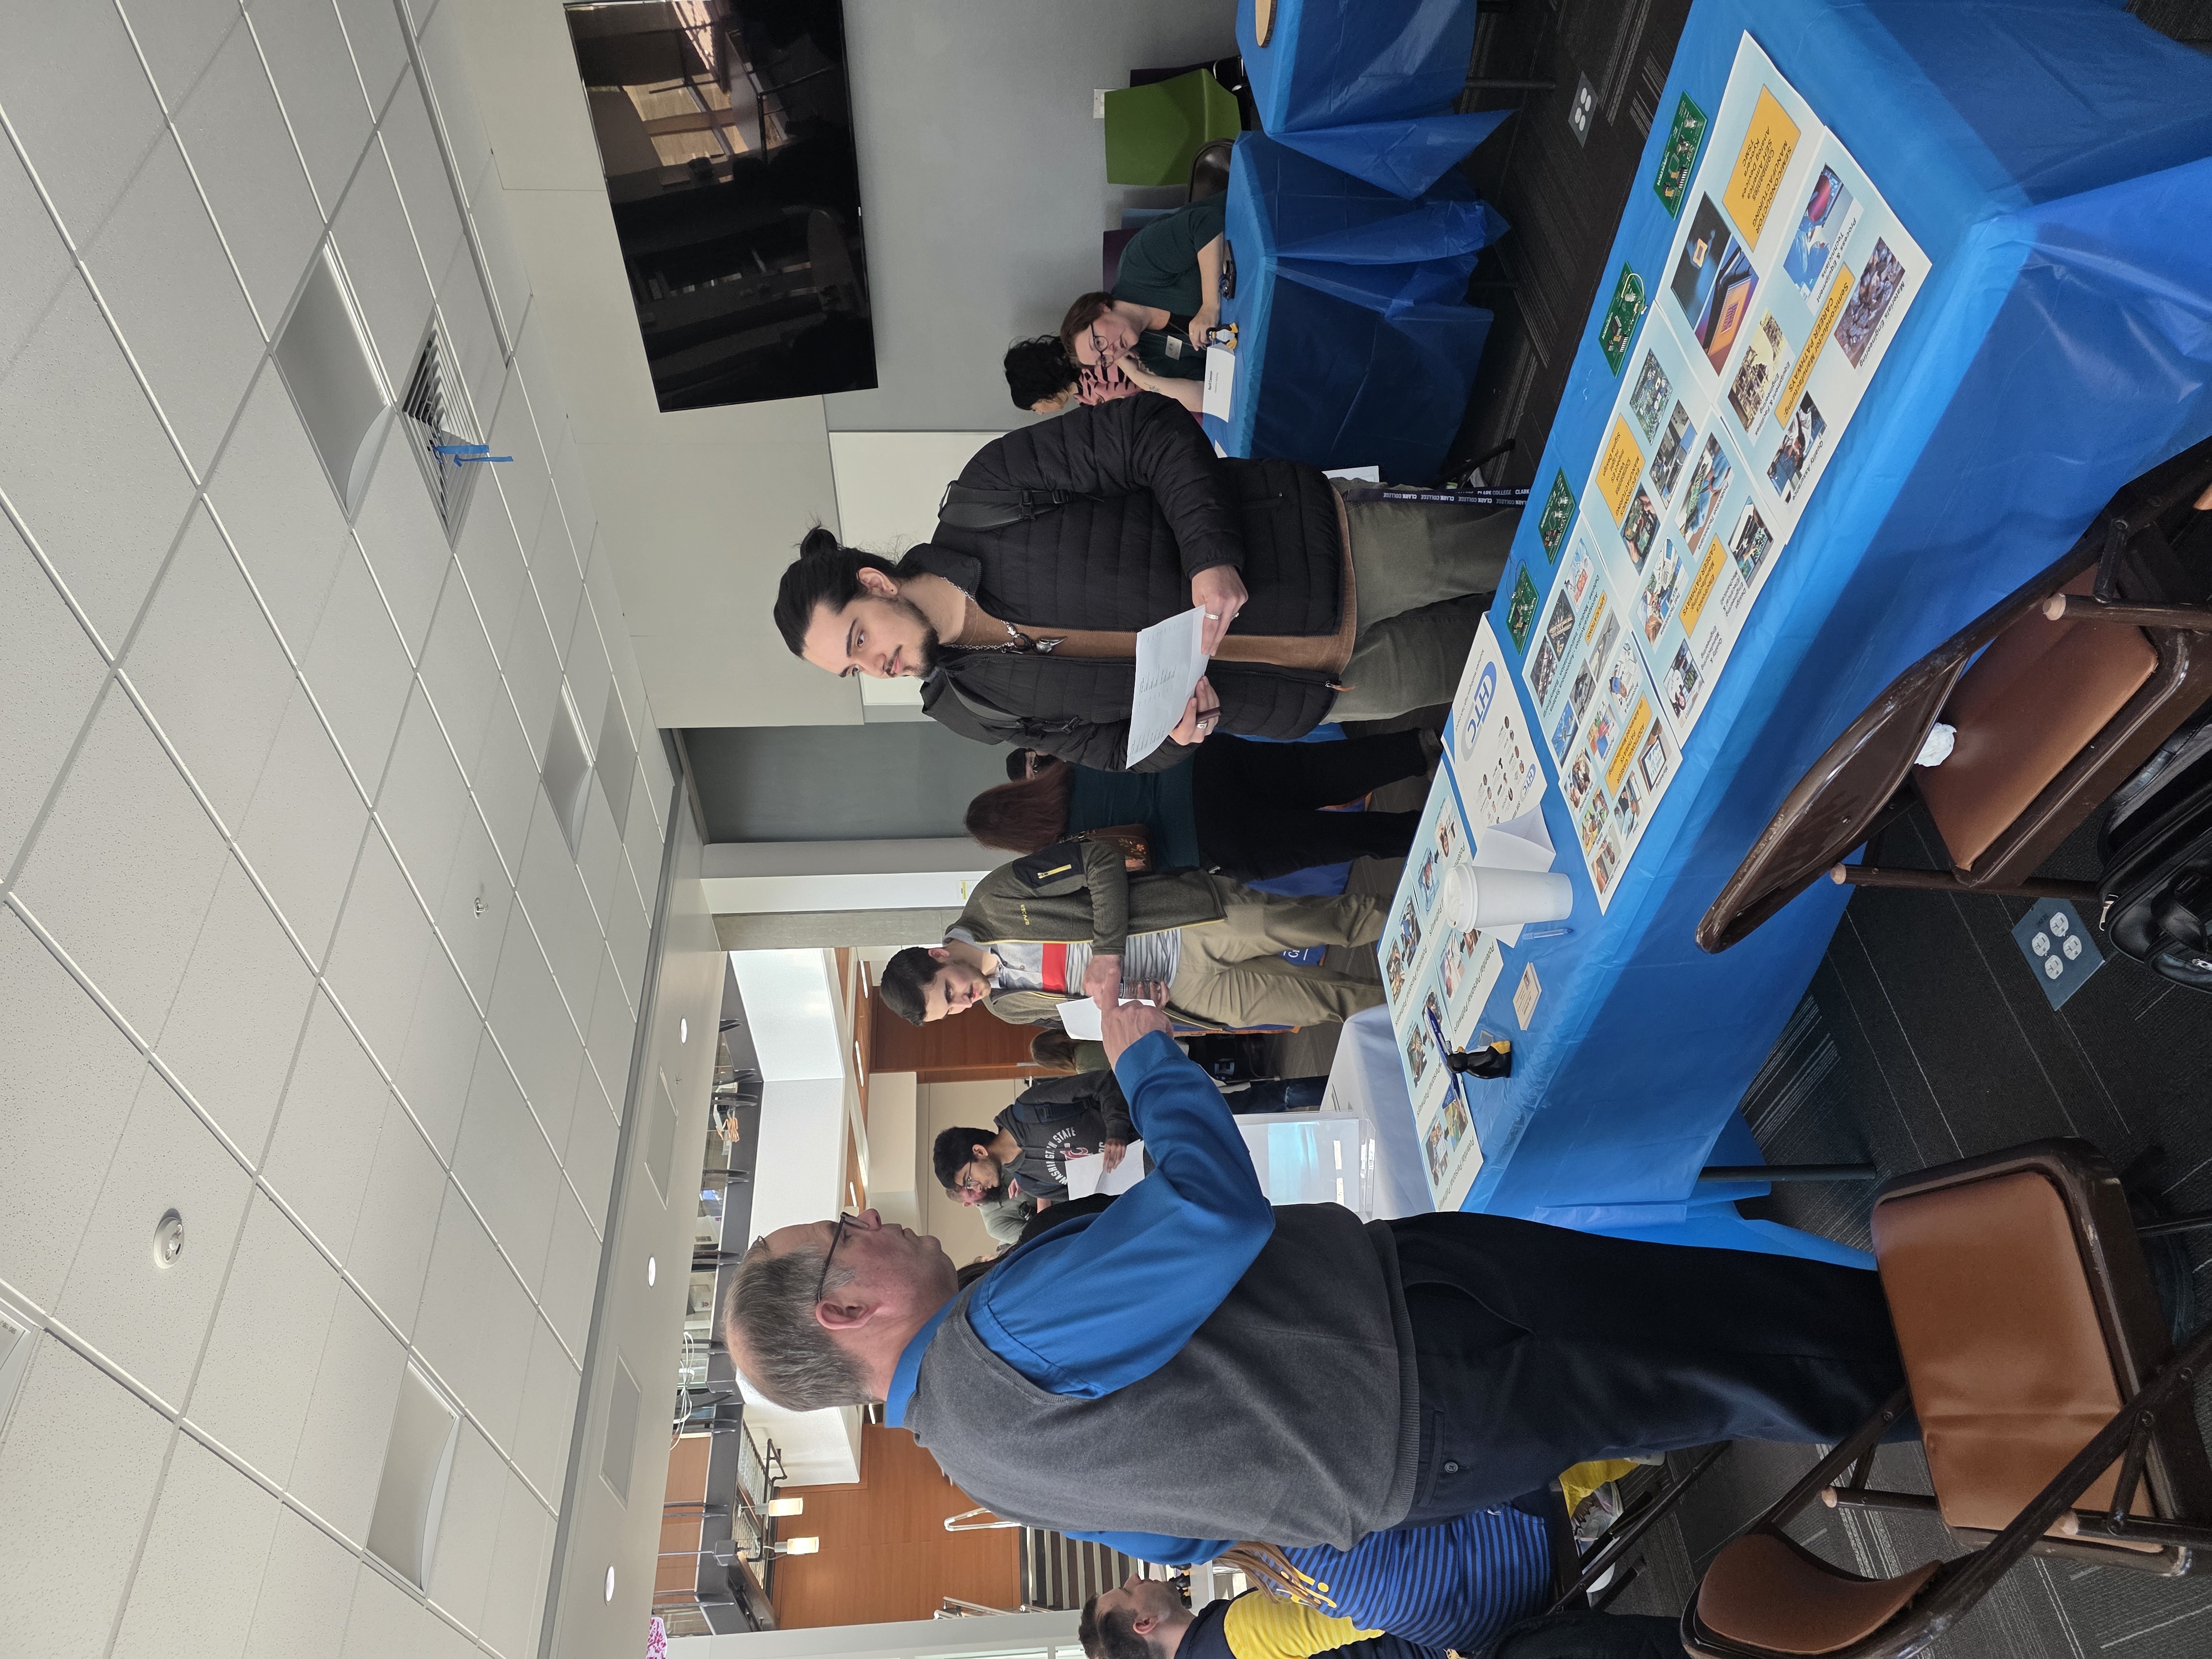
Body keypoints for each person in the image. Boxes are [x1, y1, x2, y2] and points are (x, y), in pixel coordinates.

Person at [724, 998, 1910, 1560]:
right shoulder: (992, 1343)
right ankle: (2028, 1367)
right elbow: (1207, 1214)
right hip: (1429, 1351)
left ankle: (2006, 1378)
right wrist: (1143, 1057)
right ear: (844, 1310)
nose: (866, 1216)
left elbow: (1181, 1545)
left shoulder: (971, 1454)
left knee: (1727, 1376)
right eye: (842, 1228)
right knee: (1753, 1339)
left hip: (1420, 1450)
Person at [771, 393, 1514, 770]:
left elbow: (1147, 431)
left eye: (861, 637)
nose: (877, 666)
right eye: (855, 668)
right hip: (1327, 687)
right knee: (1522, 661)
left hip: (1329, 551)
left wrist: (1207, 554)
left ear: (876, 582)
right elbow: (1111, 750)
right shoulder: (970, 705)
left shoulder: (988, 496)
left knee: (1548, 546)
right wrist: (1179, 738)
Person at [875, 839, 1386, 1031]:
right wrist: (1135, 1006)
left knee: (1333, 922)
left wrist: (1108, 953)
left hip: (1188, 924)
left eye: (951, 992)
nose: (965, 1003)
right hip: (1184, 996)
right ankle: (1442, 1011)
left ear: (939, 954)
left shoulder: (996, 898)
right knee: (1327, 1005)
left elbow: (1098, 857)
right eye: (953, 1012)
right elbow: (1094, 1014)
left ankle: (1451, 905)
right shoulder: (1006, 1008)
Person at [970, 736, 1436, 883]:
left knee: (1331, 841)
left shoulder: (1062, 852)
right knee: (1317, 769)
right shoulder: (1069, 767)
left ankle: (1430, 832)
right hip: (1203, 765)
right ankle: (1417, 747)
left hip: (1211, 837)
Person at [1082, 1574, 1682, 1659]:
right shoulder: (1238, 1633)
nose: (1136, 1580)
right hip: (1462, 1640)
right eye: (1124, 1589)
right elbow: (1375, 1604)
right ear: (1143, 1625)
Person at [1058, 195, 1230, 413]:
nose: (1110, 351)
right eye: (1104, 360)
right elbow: (1204, 397)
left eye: (1099, 343)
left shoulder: (1137, 265)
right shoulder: (1149, 350)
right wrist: (1138, 376)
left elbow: (1206, 223)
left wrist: (1209, 306)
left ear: (1101, 308)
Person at [933, 1069, 1135, 1208]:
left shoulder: (1030, 1107)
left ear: (978, 1151)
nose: (976, 1188)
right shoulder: (1032, 1184)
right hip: (1157, 1168)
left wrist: (1116, 1131)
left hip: (1153, 1114)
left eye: (970, 1180)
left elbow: (1104, 1083)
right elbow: (1098, 1197)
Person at [1004, 335, 1141, 416]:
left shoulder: (1093, 368)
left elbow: (1143, 375)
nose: (1040, 413)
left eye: (1035, 409)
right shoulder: (1083, 400)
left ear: (1043, 394)